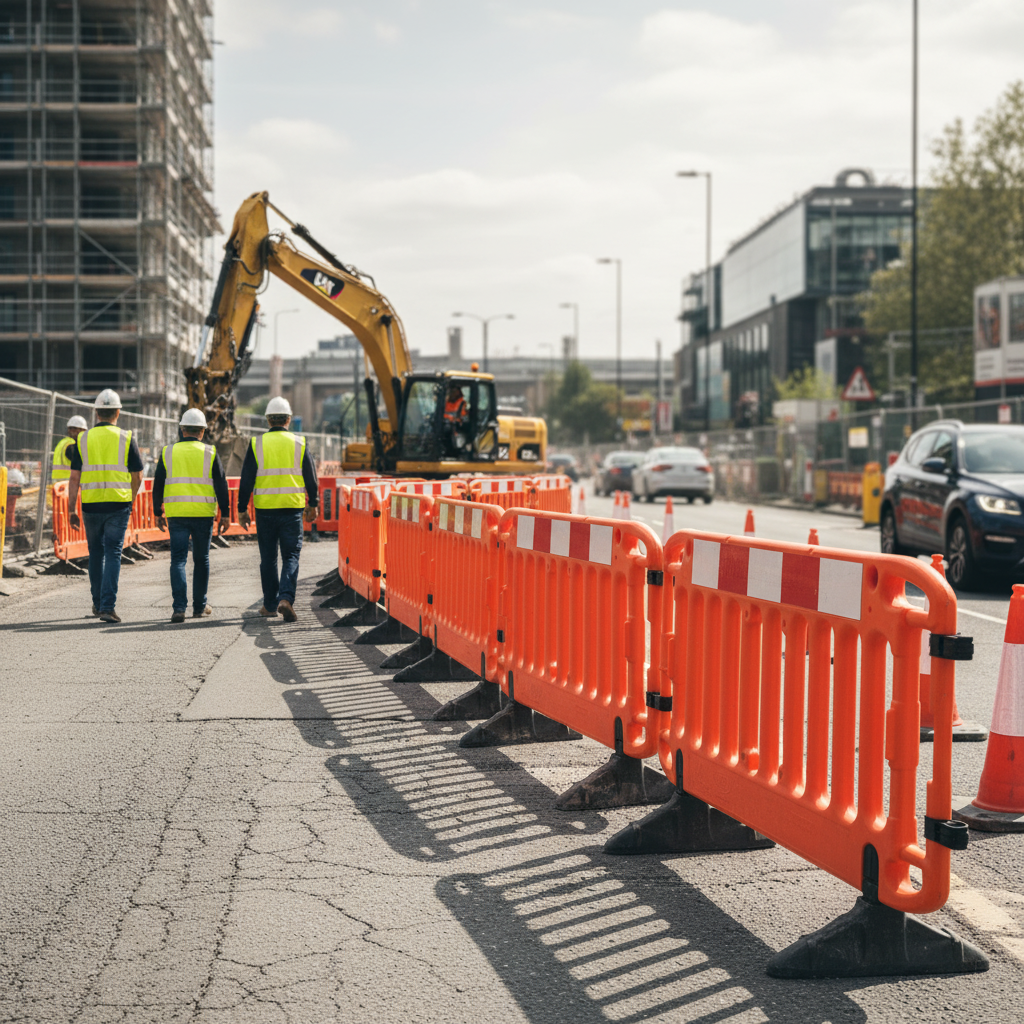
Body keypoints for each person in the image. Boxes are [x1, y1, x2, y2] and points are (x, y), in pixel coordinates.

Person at [236, 396, 318, 622]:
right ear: (288, 419)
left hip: (265, 510)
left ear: (268, 420)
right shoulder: (299, 443)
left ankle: (270, 605)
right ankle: (286, 598)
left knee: (268, 558)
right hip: (292, 509)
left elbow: (246, 479)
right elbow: (311, 476)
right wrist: (314, 504)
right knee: (291, 554)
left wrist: (242, 509)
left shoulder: (257, 444)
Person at [67, 390, 143, 622]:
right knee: (113, 554)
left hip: (90, 505)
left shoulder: (82, 439)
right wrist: (129, 499)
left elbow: (74, 478)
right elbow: (137, 476)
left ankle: (99, 604)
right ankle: (107, 607)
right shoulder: (126, 437)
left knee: (95, 554)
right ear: (118, 412)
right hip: (118, 504)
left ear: (96, 412)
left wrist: (71, 508)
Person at [152, 408, 231, 623]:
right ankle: (198, 607)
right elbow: (221, 485)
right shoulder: (210, 452)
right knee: (201, 560)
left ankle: (179, 608)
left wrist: (157, 511)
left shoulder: (168, 452)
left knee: (178, 560)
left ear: (182, 430)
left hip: (177, 513)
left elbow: (158, 483)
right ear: (203, 431)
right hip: (202, 514)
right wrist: (226, 513)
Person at [51, 415, 88, 483]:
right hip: (69, 482)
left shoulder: (62, 442)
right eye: (84, 431)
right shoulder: (72, 445)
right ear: (78, 430)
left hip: (57, 483)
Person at [444, 382, 469, 456]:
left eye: (453, 390)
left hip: (455, 431)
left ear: (458, 391)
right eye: (450, 390)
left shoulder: (462, 403)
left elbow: (463, 418)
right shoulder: (446, 402)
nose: (451, 392)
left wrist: (453, 419)